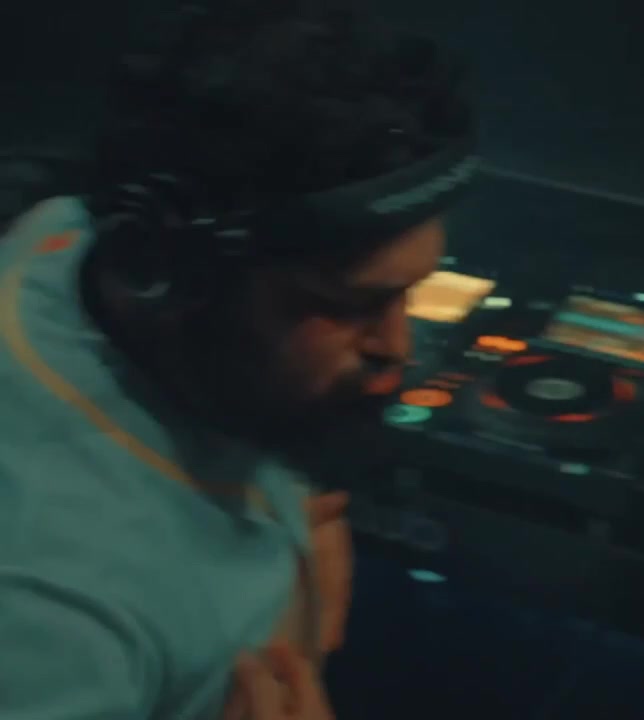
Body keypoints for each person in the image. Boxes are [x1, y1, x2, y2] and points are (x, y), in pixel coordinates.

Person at [0, 0, 475, 716]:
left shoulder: (67, 230)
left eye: (410, 294)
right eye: (348, 304)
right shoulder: (51, 620)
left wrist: (295, 521)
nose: (396, 346)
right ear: (166, 276)